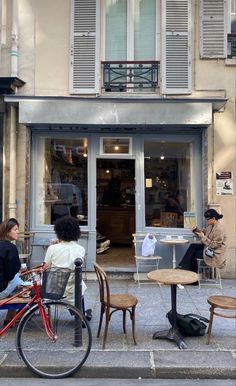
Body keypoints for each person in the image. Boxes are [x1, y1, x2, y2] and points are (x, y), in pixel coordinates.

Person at [44, 215, 91, 321]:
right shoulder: (81, 249)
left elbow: (45, 267)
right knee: (80, 283)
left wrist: (54, 245)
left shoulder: (52, 248)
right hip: (73, 291)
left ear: (58, 232)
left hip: (53, 290)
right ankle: (81, 313)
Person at [177, 209, 227, 275]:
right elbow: (204, 232)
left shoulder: (219, 229)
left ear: (213, 218)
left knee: (194, 254)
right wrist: (196, 230)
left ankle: (192, 277)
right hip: (208, 248)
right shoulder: (211, 225)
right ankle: (183, 267)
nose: (206, 221)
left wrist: (203, 237)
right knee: (193, 246)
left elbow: (214, 245)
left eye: (207, 219)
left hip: (214, 253)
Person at [0, 218, 30, 325]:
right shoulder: (11, 247)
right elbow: (9, 274)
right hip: (1, 291)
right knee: (21, 281)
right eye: (15, 229)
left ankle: (10, 319)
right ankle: (23, 313)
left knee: (16, 279)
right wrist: (19, 269)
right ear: (7, 231)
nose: (18, 232)